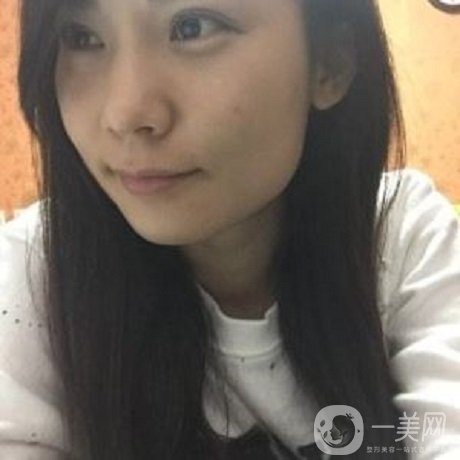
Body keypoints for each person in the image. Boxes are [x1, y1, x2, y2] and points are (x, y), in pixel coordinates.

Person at [0, 0, 459, 458]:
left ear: (330, 63)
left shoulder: (402, 239)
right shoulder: (32, 276)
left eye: (192, 27)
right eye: (81, 38)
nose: (126, 115)